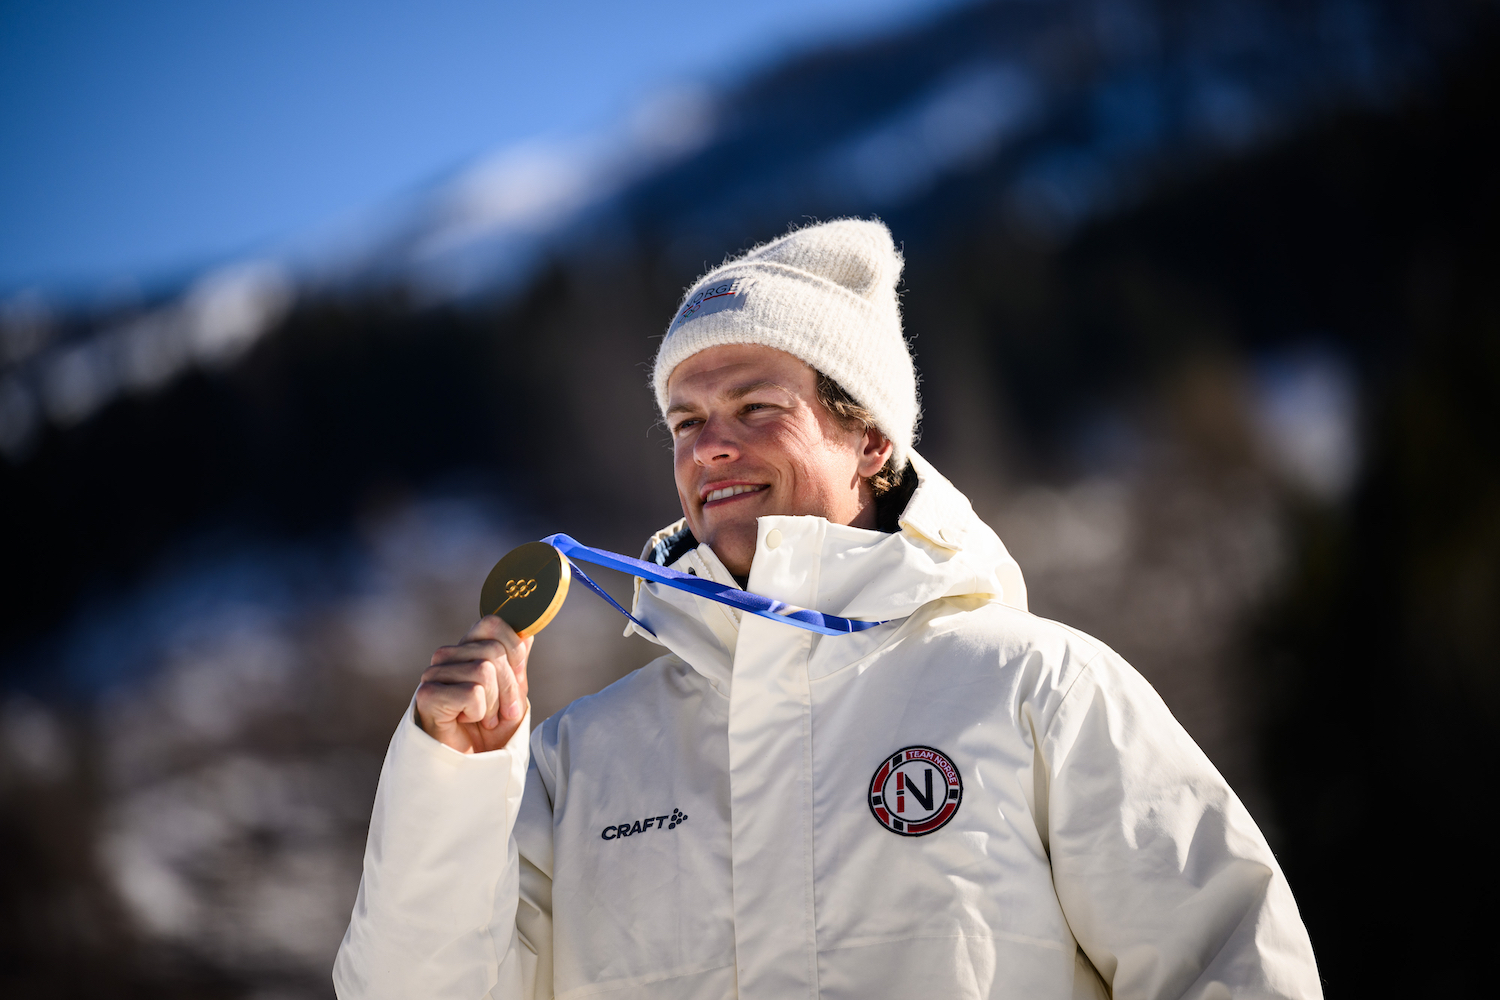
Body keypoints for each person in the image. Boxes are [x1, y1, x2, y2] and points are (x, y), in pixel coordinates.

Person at [334, 219, 1321, 999]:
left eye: (756, 406)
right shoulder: (576, 762)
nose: (709, 446)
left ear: (871, 442)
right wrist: (450, 780)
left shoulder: (1039, 689)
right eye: (686, 421)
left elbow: (1231, 964)